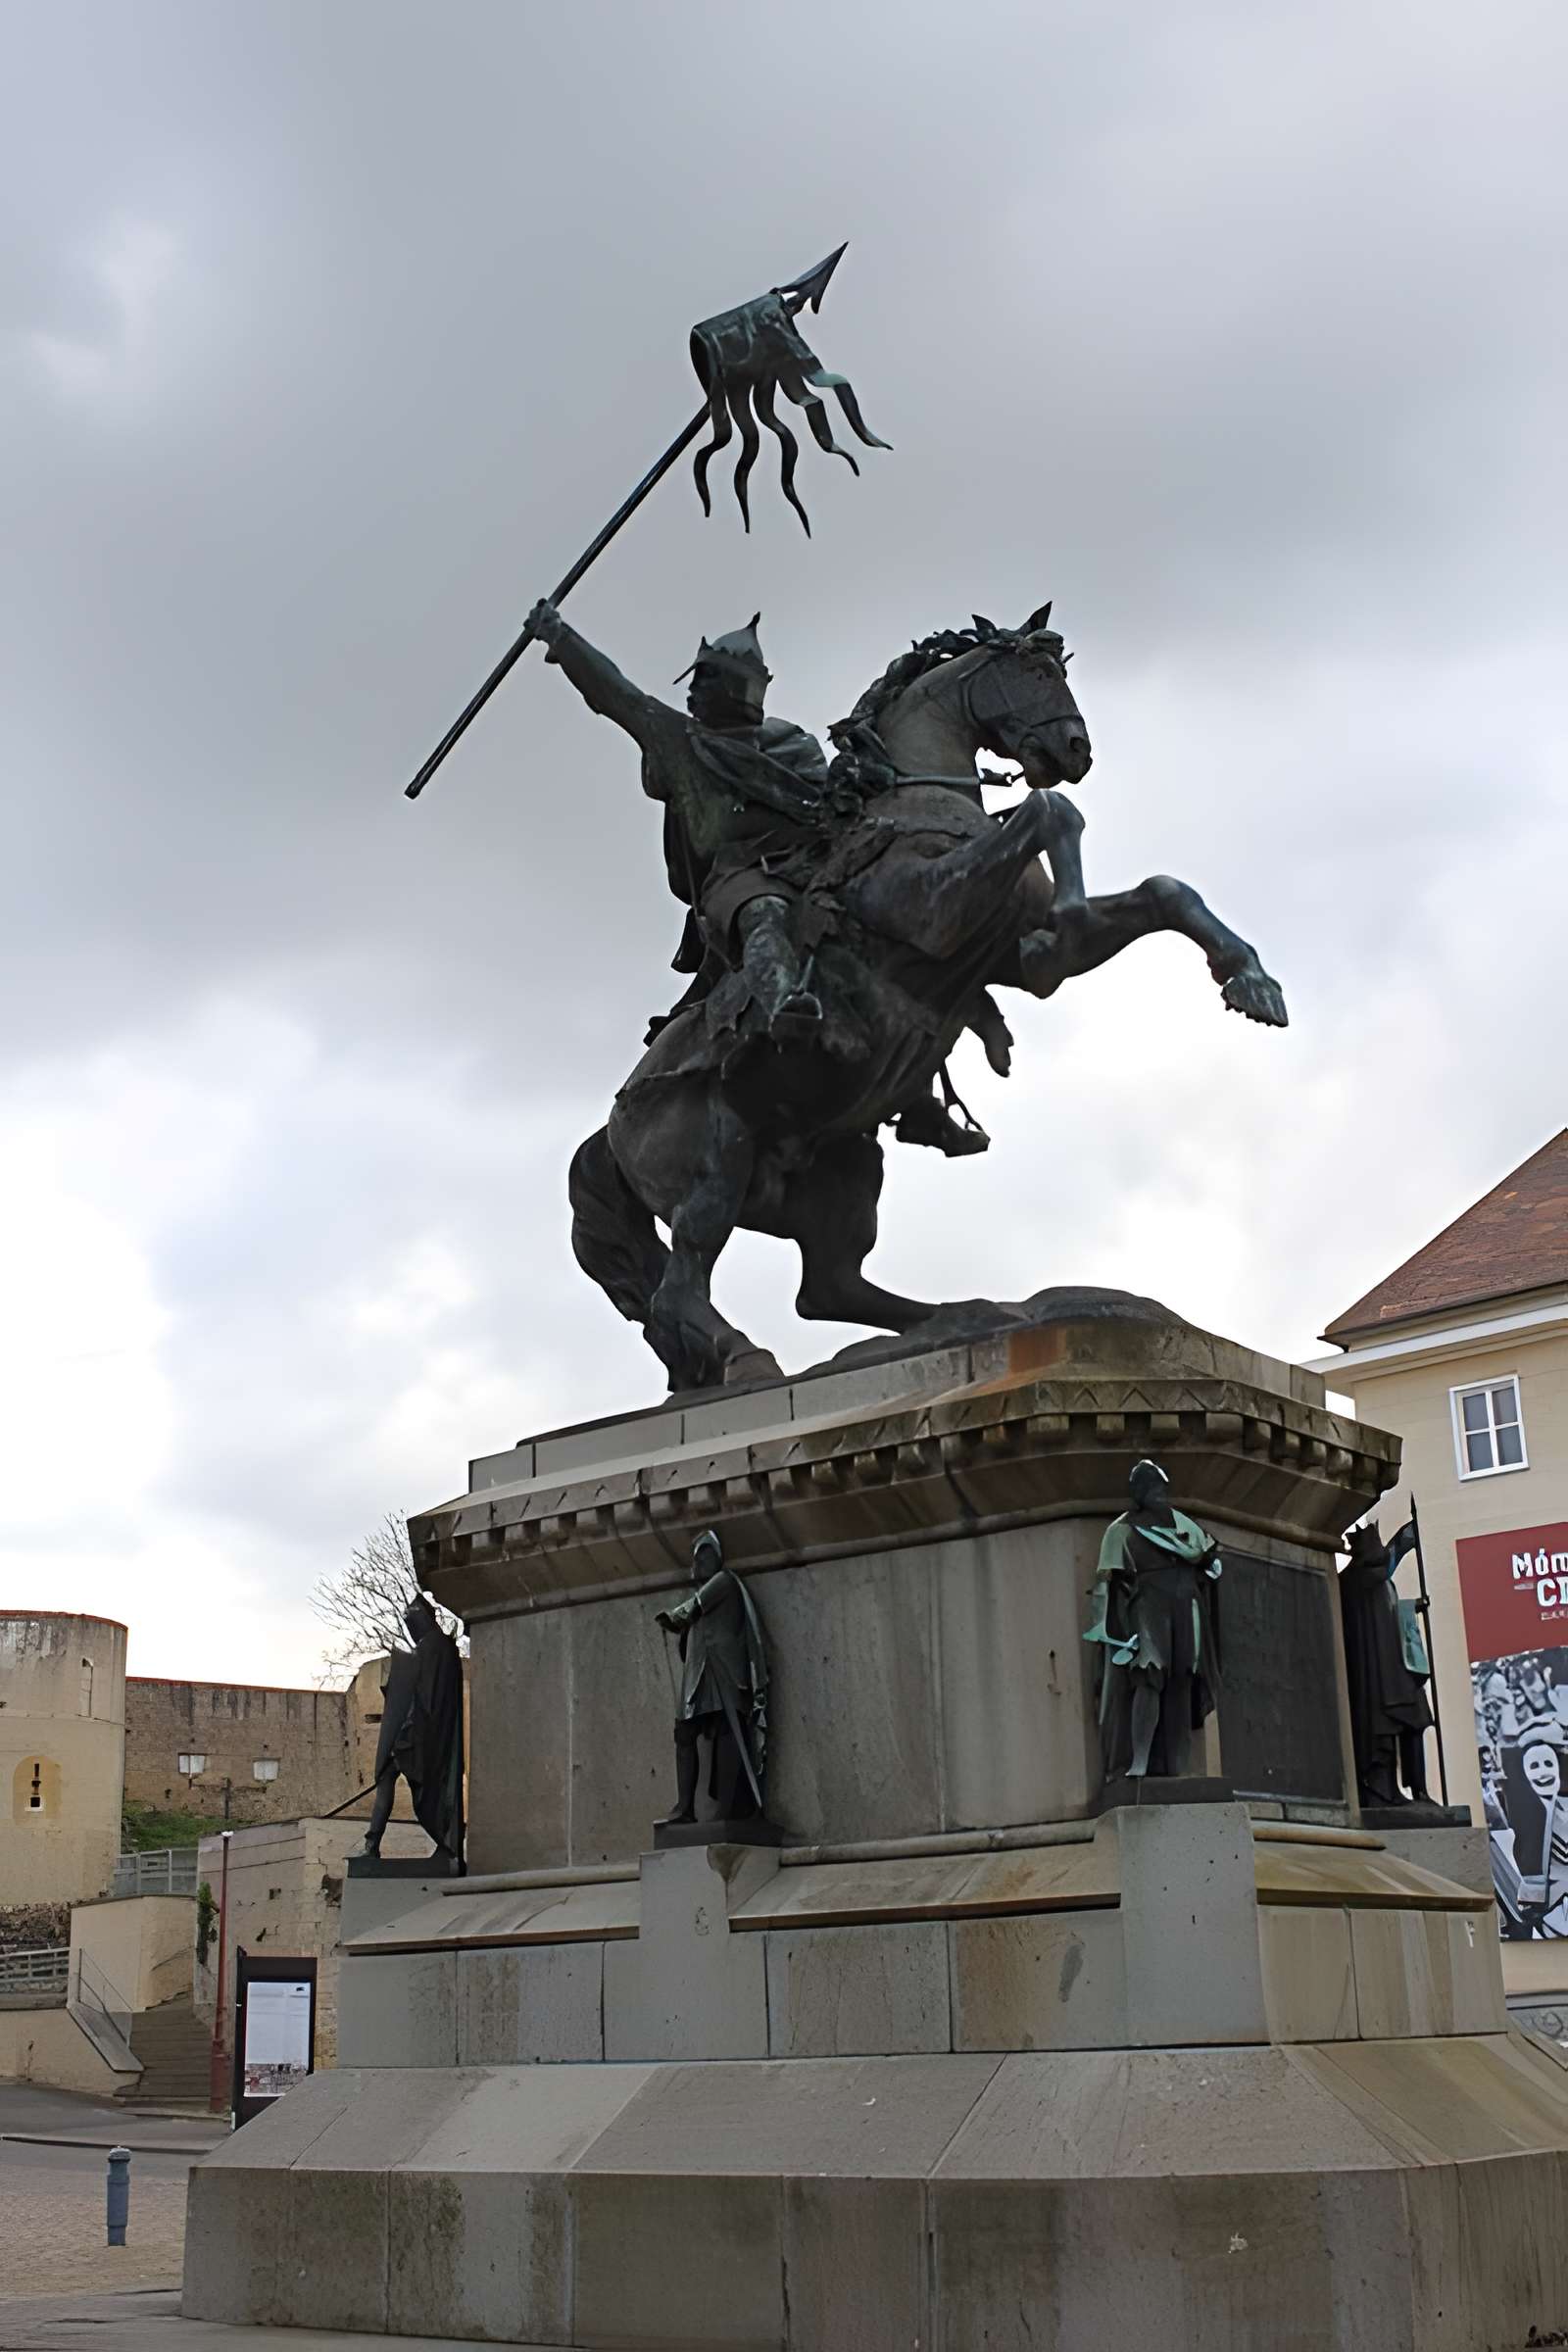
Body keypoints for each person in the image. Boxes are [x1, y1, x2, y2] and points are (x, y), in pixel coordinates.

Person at [1084, 1459, 1222, 1782]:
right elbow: (1105, 1580)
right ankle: (1140, 1759)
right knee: (1149, 1674)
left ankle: (1176, 1765)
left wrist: (1209, 1564)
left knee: (1182, 1680)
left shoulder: (1184, 1525)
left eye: (1162, 1488)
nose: (1160, 1494)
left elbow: (1210, 1561)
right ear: (1139, 1494)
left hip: (1187, 1604)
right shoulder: (1121, 1530)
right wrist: (1100, 1624)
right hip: (1148, 1604)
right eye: (1152, 1489)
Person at [654, 1529, 769, 1826]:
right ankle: (684, 1808)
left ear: (718, 1557)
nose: (701, 1561)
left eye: (707, 1554)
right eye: (698, 1556)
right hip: (697, 1676)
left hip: (725, 1673)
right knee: (684, 1733)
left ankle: (728, 1809)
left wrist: (674, 1618)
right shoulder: (707, 1588)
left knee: (727, 1732)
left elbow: (691, 1610)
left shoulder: (725, 1581)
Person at [360, 1595, 465, 1869]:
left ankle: (373, 1846)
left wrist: (404, 1731)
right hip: (422, 1731)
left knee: (392, 1778)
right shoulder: (439, 1648)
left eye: (412, 1622)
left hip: (420, 1735)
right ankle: (372, 1844)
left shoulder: (433, 1647)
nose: (411, 1629)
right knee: (388, 1778)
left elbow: (424, 1697)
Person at [1338, 1520, 1435, 1807]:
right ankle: (1386, 1790)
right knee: (1388, 1729)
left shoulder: (1377, 1580)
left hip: (1398, 1670)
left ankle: (1418, 1789)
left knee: (1415, 1723)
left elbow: (1389, 1615)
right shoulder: (1358, 1581)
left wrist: (1412, 1607)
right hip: (1377, 1677)